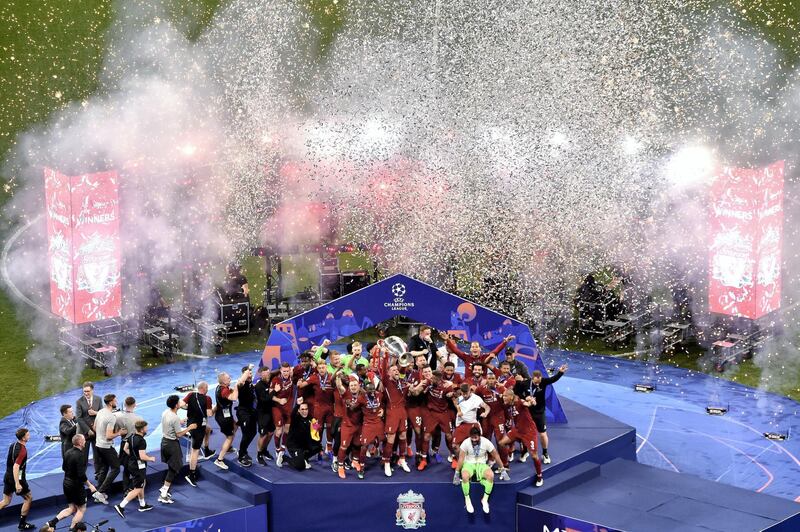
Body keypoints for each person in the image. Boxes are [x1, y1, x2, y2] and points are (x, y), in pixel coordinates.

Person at [40, 434, 99, 532]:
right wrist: (90, 485)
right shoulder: (80, 455)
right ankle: (72, 530)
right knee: (81, 509)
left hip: (66, 483)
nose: (85, 442)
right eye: (84, 440)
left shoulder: (68, 452)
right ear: (80, 442)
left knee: (71, 508)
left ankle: (51, 523)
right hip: (76, 486)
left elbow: (64, 468)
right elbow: (81, 475)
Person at [455, 427, 506, 514]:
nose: (474, 440)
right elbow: (461, 459)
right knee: (464, 476)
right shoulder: (466, 443)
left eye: (476, 438)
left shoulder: (486, 442)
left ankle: (485, 499)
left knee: (491, 475)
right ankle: (467, 500)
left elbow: (496, 455)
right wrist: (456, 473)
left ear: (480, 436)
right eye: (472, 437)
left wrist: (502, 469)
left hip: (481, 464)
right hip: (469, 464)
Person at [498, 389, 543, 487]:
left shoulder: (520, 402)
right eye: (503, 396)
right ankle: (505, 466)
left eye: (505, 396)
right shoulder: (510, 403)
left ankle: (539, 476)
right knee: (501, 443)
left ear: (511, 397)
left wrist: (531, 402)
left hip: (529, 432)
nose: (503, 397)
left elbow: (527, 403)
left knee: (534, 455)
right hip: (517, 430)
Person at [414, 368, 457, 470]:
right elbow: (419, 390)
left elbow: (454, 398)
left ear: (439, 379)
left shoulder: (447, 386)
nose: (432, 380)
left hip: (443, 413)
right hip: (432, 414)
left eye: (434, 379)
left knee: (449, 436)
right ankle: (424, 460)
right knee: (426, 436)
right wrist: (416, 389)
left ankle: (454, 458)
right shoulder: (429, 382)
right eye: (432, 378)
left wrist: (452, 395)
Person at [158, 395, 197, 504]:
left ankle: (165, 489)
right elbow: (179, 434)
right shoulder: (174, 417)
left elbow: (171, 422)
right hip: (172, 444)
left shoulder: (166, 412)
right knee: (174, 468)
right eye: (179, 402)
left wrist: (181, 421)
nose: (181, 403)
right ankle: (164, 493)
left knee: (172, 467)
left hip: (164, 442)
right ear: (176, 405)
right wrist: (190, 427)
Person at [113, 420, 155, 518]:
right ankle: (121, 506)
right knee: (138, 488)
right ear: (142, 429)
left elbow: (125, 449)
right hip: (138, 466)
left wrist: (133, 456)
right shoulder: (141, 441)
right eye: (146, 428)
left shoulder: (131, 436)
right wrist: (151, 458)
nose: (147, 429)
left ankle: (142, 504)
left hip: (131, 463)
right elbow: (142, 456)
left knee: (141, 484)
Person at [379, 360, 412, 477]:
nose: (396, 371)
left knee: (403, 436)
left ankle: (402, 459)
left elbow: (403, 369)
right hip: (391, 411)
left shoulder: (403, 382)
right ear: (388, 373)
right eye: (393, 370)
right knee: (391, 438)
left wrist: (411, 387)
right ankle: (387, 462)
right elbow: (383, 370)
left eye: (397, 370)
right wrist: (386, 354)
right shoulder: (387, 381)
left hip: (402, 411)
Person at [529, 364, 568, 464]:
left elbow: (553, 379)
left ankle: (545, 453)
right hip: (528, 412)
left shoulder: (543, 382)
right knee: (526, 433)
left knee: (542, 434)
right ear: (532, 378)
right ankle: (525, 451)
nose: (538, 383)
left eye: (539, 381)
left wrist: (560, 372)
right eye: (536, 382)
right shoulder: (526, 383)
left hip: (539, 412)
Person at [299, 359, 335, 460]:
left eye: (323, 367)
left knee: (330, 427)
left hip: (330, 406)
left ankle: (329, 447)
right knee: (317, 428)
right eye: (319, 368)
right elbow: (302, 385)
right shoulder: (314, 377)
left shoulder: (332, 376)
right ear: (317, 369)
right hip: (318, 407)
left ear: (326, 367)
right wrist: (300, 382)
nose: (321, 369)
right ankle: (318, 449)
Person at [93, 394, 126, 503]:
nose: (116, 401)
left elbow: (94, 427)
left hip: (98, 444)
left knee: (105, 468)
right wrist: (119, 433)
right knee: (116, 468)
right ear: (111, 402)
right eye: (115, 400)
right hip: (106, 446)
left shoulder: (101, 411)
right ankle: (100, 492)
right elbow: (109, 436)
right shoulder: (111, 417)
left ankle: (99, 492)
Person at [0, 428, 35, 530]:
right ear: (23, 438)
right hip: (17, 479)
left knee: (6, 501)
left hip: (7, 476)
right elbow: (16, 466)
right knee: (28, 498)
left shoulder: (13, 444)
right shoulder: (22, 451)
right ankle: (22, 524)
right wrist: (17, 483)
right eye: (28, 435)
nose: (29, 436)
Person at [440, 332, 514, 380]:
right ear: (470, 349)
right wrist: (448, 340)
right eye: (473, 347)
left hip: (482, 383)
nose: (474, 348)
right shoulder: (466, 357)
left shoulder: (485, 357)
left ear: (480, 349)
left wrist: (505, 342)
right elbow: (455, 350)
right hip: (469, 383)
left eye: (476, 347)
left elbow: (496, 351)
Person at [214, 370, 248, 470]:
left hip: (222, 416)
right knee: (230, 437)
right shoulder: (224, 390)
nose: (230, 379)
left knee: (235, 425)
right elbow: (233, 398)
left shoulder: (220, 387)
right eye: (228, 378)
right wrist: (237, 387)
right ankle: (219, 460)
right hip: (224, 418)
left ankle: (228, 447)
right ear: (224, 381)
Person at [334, 371, 364, 479]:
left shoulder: (363, 395)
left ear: (359, 385)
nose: (353, 387)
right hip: (347, 425)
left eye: (355, 385)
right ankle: (340, 466)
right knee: (344, 446)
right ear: (349, 386)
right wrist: (338, 376)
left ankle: (355, 461)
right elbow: (339, 386)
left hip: (359, 425)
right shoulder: (345, 393)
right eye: (351, 385)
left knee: (357, 444)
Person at [182, 382, 213, 485]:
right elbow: (209, 414)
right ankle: (191, 474)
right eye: (207, 388)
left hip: (190, 425)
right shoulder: (207, 398)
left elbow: (182, 405)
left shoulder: (191, 394)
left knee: (208, 429)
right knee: (195, 451)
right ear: (204, 388)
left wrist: (190, 407)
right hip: (198, 427)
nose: (208, 389)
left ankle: (207, 450)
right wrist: (214, 409)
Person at [356, 381, 385, 479]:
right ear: (365, 390)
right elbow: (353, 408)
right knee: (364, 446)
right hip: (368, 424)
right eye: (370, 390)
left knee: (384, 441)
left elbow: (385, 403)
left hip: (378, 423)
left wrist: (383, 410)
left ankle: (385, 461)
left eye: (373, 389)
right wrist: (348, 404)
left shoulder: (379, 395)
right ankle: (362, 467)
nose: (372, 391)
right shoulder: (361, 398)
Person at [284, 401, 322, 471]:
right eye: (302, 409)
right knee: (300, 466)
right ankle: (284, 458)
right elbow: (292, 414)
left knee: (318, 447)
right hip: (294, 446)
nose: (305, 411)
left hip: (303, 445)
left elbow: (314, 431)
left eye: (306, 409)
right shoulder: (295, 418)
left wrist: (317, 428)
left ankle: (304, 458)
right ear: (298, 410)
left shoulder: (310, 418)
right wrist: (297, 404)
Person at [270, 362, 295, 466]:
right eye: (284, 371)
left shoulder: (292, 376)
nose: (286, 373)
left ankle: (282, 449)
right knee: (279, 430)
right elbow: (270, 395)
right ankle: (277, 449)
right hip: (278, 408)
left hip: (288, 408)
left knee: (287, 429)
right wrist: (279, 400)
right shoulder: (276, 380)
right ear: (280, 371)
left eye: (287, 371)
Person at [115, 396, 141, 494]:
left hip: (124, 443)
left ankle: (126, 489)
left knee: (126, 468)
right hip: (135, 445)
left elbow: (117, 431)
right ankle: (137, 487)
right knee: (137, 467)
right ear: (134, 405)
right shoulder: (139, 419)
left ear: (125, 405)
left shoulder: (118, 418)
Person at [452, 384, 490, 448]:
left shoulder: (476, 399)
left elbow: (487, 407)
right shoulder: (460, 398)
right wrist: (458, 410)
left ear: (470, 391)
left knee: (477, 446)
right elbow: (455, 402)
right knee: (455, 446)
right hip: (461, 424)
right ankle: (460, 458)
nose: (465, 395)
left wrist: (485, 413)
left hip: (472, 424)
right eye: (463, 393)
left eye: (466, 393)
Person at [74, 382, 102, 466]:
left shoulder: (98, 399)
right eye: (84, 391)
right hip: (84, 433)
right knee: (83, 457)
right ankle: (82, 477)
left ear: (92, 390)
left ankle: (98, 474)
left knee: (97, 455)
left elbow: (102, 413)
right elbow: (79, 418)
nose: (86, 393)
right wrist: (88, 430)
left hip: (96, 431)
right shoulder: (79, 401)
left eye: (88, 391)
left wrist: (95, 412)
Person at [236, 367, 258, 467]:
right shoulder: (241, 383)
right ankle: (241, 456)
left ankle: (243, 450)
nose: (250, 375)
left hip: (251, 411)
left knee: (253, 432)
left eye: (251, 373)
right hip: (243, 412)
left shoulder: (250, 384)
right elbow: (241, 382)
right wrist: (247, 370)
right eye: (248, 373)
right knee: (246, 434)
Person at [254, 367, 275, 465]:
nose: (268, 376)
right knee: (263, 435)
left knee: (270, 433)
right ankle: (259, 454)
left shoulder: (270, 379)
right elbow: (265, 399)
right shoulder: (258, 386)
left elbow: (276, 372)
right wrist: (274, 391)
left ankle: (264, 450)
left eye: (268, 374)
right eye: (265, 374)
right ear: (261, 375)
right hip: (262, 413)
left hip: (271, 412)